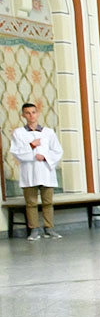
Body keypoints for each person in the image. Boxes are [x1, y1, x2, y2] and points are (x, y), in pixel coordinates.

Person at [10, 102, 63, 241]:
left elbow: (57, 151)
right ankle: (34, 229)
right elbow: (16, 152)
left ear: (38, 113)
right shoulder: (19, 133)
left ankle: (49, 228)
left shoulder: (48, 133)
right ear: (23, 115)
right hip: (29, 172)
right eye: (27, 113)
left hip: (46, 171)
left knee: (48, 202)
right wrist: (32, 146)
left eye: (33, 112)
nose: (31, 115)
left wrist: (45, 157)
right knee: (31, 203)